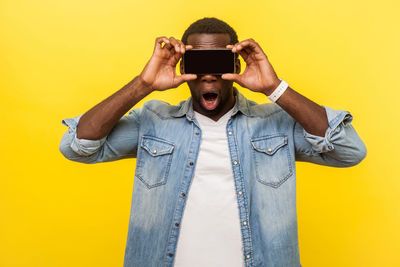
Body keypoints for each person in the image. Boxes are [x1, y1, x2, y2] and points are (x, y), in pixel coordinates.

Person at [59, 17, 367, 267]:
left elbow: (349, 150)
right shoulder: (153, 121)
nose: (208, 75)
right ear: (183, 68)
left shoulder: (274, 123)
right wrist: (144, 85)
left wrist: (274, 87)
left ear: (235, 67)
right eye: (198, 62)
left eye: (217, 61)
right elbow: (76, 146)